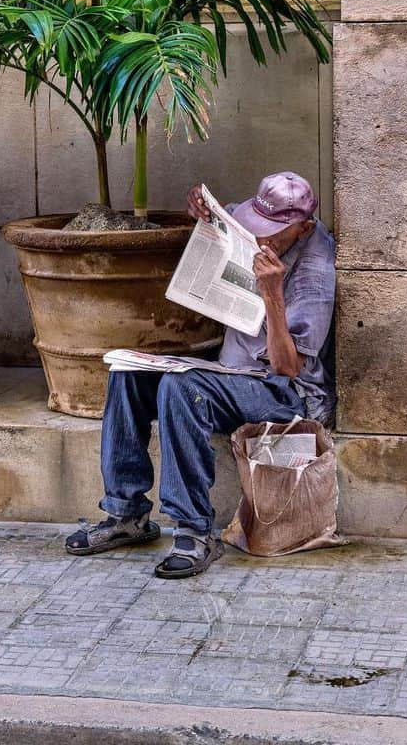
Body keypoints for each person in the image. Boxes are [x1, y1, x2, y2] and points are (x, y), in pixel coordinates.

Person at [64, 171, 336, 578]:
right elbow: (223, 216)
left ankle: (194, 530)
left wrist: (273, 296)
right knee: (127, 371)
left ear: (304, 228)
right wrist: (197, 210)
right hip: (231, 374)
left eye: (273, 233)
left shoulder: (315, 267)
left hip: (283, 391)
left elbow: (288, 366)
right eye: (257, 227)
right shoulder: (256, 228)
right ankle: (126, 514)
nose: (261, 238)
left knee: (182, 386)